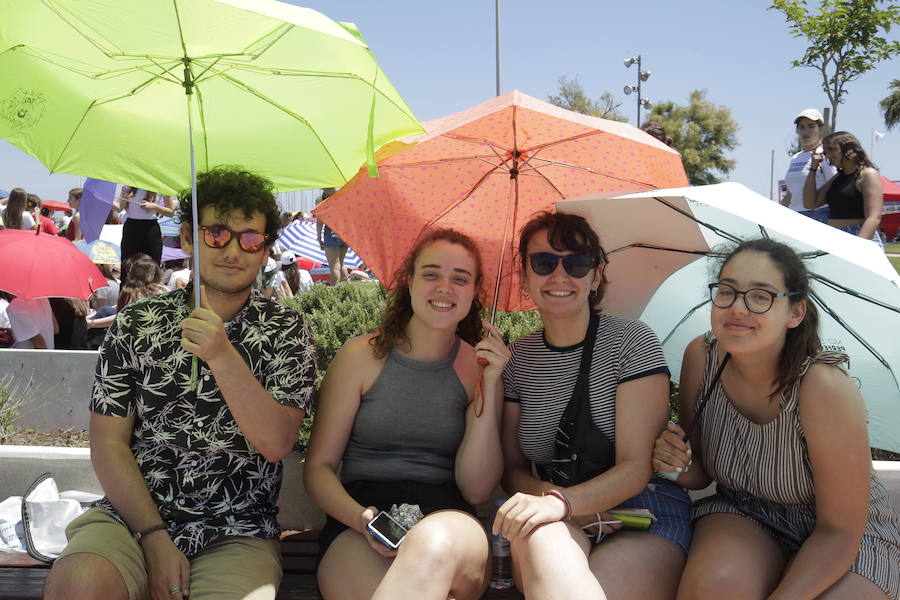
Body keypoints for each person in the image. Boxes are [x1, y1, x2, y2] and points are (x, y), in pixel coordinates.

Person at [43, 166, 318, 600]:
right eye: (216, 234)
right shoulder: (137, 323)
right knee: (77, 585)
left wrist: (222, 355)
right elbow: (108, 444)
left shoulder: (287, 329)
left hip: (236, 528)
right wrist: (153, 536)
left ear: (265, 250)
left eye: (249, 238)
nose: (232, 250)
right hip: (133, 517)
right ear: (189, 238)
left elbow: (277, 442)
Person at [653, 238, 900, 599]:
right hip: (746, 512)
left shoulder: (822, 388)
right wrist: (673, 464)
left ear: (795, 313)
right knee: (714, 586)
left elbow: (839, 531)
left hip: (843, 534)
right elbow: (701, 471)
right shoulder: (701, 357)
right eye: (727, 291)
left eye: (761, 296)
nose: (738, 308)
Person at [304, 228, 510, 600]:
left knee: (431, 546)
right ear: (409, 281)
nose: (444, 287)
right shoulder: (359, 357)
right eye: (431, 274)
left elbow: (477, 489)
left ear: (474, 290)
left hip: (449, 522)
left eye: (459, 278)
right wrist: (361, 520)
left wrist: (489, 386)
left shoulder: (479, 367)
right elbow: (318, 468)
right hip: (361, 520)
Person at [494, 211, 691, 599]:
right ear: (525, 274)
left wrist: (562, 503)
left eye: (577, 263)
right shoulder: (518, 357)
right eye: (544, 262)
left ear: (596, 275)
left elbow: (636, 467)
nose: (560, 275)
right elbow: (512, 467)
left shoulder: (631, 343)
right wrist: (557, 502)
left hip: (639, 511)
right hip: (552, 506)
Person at [804, 131, 884, 244]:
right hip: (835, 238)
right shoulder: (837, 178)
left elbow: (873, 217)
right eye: (826, 152)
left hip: (859, 237)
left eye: (832, 149)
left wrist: (858, 245)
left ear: (848, 148)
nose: (828, 155)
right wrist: (812, 169)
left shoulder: (867, 174)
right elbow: (810, 203)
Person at [782, 109, 836, 223]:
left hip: (820, 215)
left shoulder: (826, 155)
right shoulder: (795, 157)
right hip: (794, 216)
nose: (806, 131)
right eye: (801, 127)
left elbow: (835, 186)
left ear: (821, 129)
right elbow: (791, 193)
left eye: (811, 126)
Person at [116, 186, 177, 269]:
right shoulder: (128, 184)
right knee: (128, 264)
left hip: (151, 228)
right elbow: (119, 207)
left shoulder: (160, 183)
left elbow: (170, 212)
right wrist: (106, 200)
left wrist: (154, 207)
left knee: (152, 265)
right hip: (131, 227)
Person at [316, 188, 350, 285]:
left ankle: (334, 290)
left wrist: (319, 238)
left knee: (334, 266)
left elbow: (319, 223)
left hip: (331, 234)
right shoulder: (343, 201)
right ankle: (346, 289)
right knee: (341, 263)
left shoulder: (325, 204)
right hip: (344, 234)